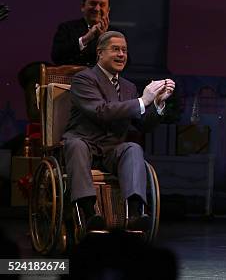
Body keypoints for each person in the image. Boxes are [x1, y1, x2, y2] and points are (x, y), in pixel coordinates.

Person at [63, 30, 175, 232]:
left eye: (124, 50)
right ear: (99, 53)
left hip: (111, 151)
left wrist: (157, 104)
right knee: (76, 145)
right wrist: (142, 100)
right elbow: (101, 111)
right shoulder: (84, 79)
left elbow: (142, 126)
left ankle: (134, 213)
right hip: (85, 144)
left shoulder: (128, 87)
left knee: (132, 147)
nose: (121, 54)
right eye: (115, 49)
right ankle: (89, 214)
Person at [51, 0, 112, 66]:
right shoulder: (67, 28)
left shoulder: (115, 33)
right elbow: (56, 57)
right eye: (93, 3)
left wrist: (104, 40)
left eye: (102, 5)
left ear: (108, 10)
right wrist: (85, 39)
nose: (97, 9)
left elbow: (125, 63)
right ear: (83, 6)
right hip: (72, 77)